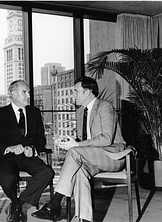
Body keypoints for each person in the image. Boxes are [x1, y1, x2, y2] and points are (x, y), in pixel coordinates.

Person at [32, 76, 126, 222]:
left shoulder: (105, 106)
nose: (73, 95)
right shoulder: (80, 112)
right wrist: (70, 142)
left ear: (88, 92)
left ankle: (55, 202)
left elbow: (106, 139)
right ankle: (85, 218)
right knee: (79, 171)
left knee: (75, 152)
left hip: (113, 156)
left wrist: (76, 146)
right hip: (91, 157)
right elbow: (84, 141)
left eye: (76, 91)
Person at [0, 79, 54, 222]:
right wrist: (8, 148)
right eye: (25, 92)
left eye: (28, 92)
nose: (28, 95)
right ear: (13, 94)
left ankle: (17, 204)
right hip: (7, 158)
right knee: (8, 179)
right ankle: (17, 205)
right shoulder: (0, 113)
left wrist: (33, 148)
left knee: (47, 172)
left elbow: (41, 140)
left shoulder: (35, 113)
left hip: (28, 157)